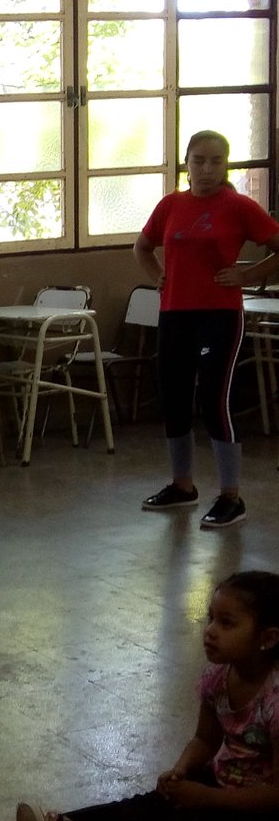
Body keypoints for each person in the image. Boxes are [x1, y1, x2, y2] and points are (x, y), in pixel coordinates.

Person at [0, 570, 279, 821]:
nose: (209, 631)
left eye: (226, 623)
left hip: (264, 817)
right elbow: (205, 740)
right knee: (146, 807)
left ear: (267, 638)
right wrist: (181, 770)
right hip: (224, 782)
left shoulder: (275, 698)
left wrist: (205, 798)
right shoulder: (217, 679)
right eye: (211, 618)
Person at [133, 130, 279, 529]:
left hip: (219, 315)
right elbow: (142, 246)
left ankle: (231, 496)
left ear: (226, 165)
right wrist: (158, 277)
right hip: (175, 312)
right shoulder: (171, 205)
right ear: (186, 164)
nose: (207, 169)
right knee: (174, 398)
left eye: (216, 161)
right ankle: (183, 486)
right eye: (199, 160)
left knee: (215, 399)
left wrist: (248, 276)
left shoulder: (238, 206)